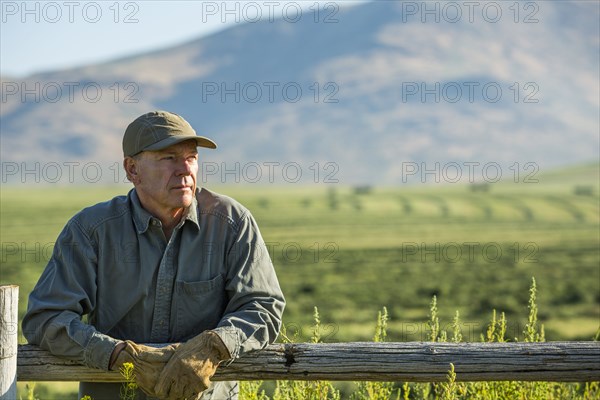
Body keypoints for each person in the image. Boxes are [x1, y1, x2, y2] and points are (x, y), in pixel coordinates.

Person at [22, 110, 286, 400]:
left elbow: (263, 307)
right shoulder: (92, 231)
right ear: (132, 169)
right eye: (169, 158)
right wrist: (116, 355)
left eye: (192, 157)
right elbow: (45, 318)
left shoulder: (232, 223)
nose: (185, 169)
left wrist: (213, 346)